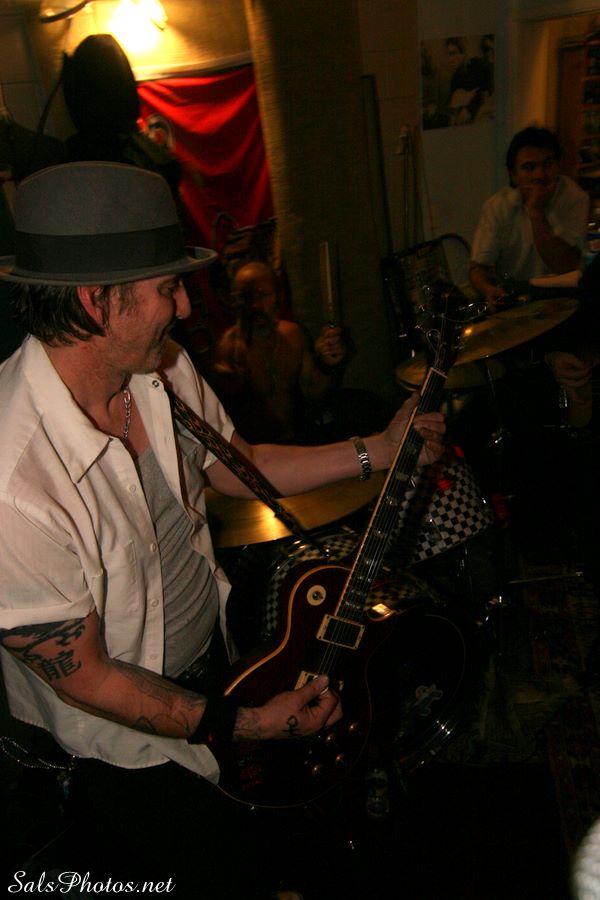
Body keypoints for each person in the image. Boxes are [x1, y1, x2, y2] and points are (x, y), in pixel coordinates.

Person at [0, 162, 444, 898]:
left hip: (218, 660)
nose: (183, 306)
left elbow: (240, 465)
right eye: (167, 288)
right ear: (95, 301)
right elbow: (91, 678)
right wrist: (250, 724)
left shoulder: (158, 367)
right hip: (122, 745)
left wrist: (379, 449)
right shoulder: (14, 483)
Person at [208, 259, 377, 444]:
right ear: (235, 301)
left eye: (263, 295)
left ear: (279, 297)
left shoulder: (294, 335)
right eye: (246, 297)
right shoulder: (227, 350)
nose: (256, 305)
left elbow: (315, 394)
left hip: (300, 443)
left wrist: (328, 365)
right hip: (257, 452)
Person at [469, 126, 589, 309]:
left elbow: (565, 267)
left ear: (558, 166)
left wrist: (536, 212)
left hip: (566, 297)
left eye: (548, 164)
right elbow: (478, 267)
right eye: (529, 167)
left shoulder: (574, 198)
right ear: (513, 176)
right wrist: (487, 289)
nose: (540, 175)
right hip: (517, 299)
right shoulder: (497, 207)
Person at [445, 36, 492, 126]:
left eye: (453, 53)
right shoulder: (455, 77)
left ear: (463, 53)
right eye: (449, 55)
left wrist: (469, 109)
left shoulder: (477, 65)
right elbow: (451, 102)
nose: (450, 60)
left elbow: (483, 93)